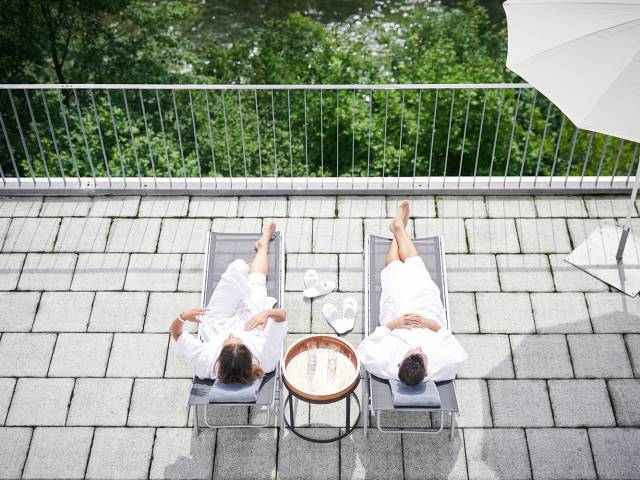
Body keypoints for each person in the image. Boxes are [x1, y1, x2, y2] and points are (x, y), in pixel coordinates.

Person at [357, 201, 467, 386]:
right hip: (427, 313)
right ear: (426, 372)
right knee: (416, 270)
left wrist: (393, 324)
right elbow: (459, 352)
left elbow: (363, 349)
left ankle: (398, 230)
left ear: (398, 362)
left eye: (412, 352)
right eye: (421, 354)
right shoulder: (444, 367)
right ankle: (399, 229)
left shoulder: (382, 364)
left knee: (394, 271)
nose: (417, 348)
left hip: (397, 314)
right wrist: (430, 324)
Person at [169, 223, 287, 383]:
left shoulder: (206, 362)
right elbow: (282, 317)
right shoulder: (265, 359)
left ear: (218, 360)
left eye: (229, 340)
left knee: (236, 270)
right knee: (257, 282)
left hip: (218, 325)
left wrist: (183, 317)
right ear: (250, 356)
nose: (233, 334)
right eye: (239, 341)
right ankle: (263, 243)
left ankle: (245, 269)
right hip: (251, 323)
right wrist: (266, 313)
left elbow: (175, 332)